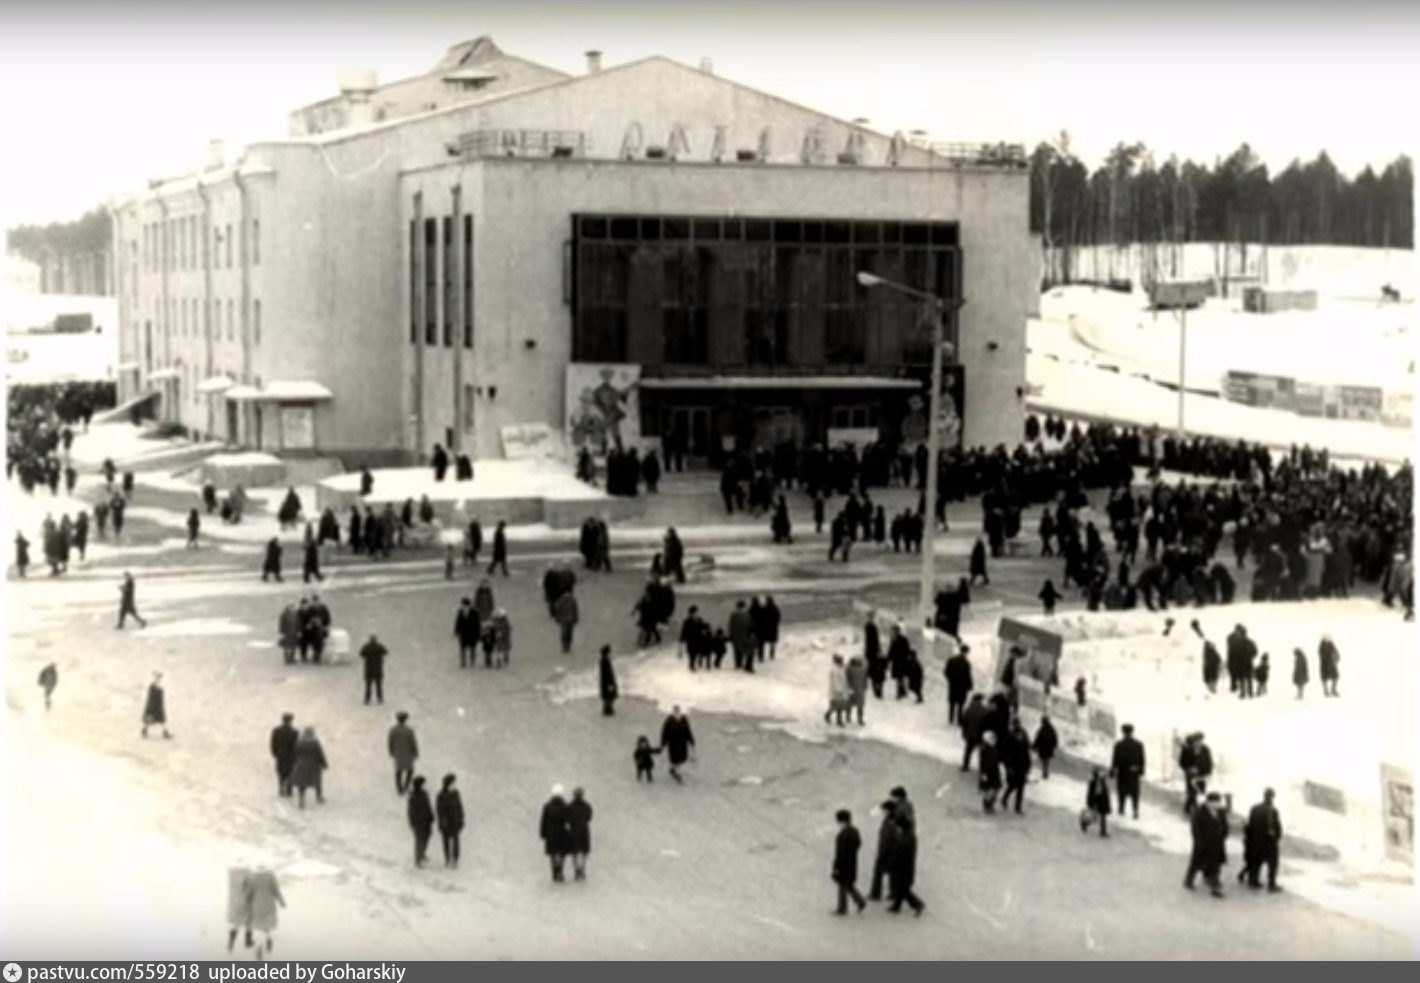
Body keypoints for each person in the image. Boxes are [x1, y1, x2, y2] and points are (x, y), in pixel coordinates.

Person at [1184, 792, 1229, 898]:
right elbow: (1196, 829)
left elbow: (1225, 825)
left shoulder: (1220, 812)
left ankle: (1215, 887)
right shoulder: (1200, 812)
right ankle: (1188, 881)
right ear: (1209, 802)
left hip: (1217, 843)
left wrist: (1223, 835)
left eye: (1218, 802)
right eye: (1215, 802)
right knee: (1196, 863)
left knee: (1216, 864)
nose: (1218, 804)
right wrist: (1199, 842)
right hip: (1203, 843)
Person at [886, 802, 925, 916]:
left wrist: (892, 863)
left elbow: (901, 854)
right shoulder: (909, 836)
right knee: (901, 888)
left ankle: (918, 904)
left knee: (903, 889)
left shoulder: (904, 839)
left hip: (903, 868)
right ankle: (896, 906)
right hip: (906, 867)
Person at [1241, 788, 1283, 892]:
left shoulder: (1254, 808)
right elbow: (1277, 827)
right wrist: (1277, 838)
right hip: (1269, 842)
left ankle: (1253, 880)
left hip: (1256, 841)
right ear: (1272, 797)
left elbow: (1249, 825)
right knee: (1273, 863)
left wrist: (1250, 839)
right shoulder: (1273, 810)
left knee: (1256, 862)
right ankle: (1271, 884)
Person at [832, 809, 868, 915]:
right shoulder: (854, 830)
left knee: (842, 885)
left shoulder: (842, 835)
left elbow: (840, 853)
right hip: (852, 862)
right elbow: (858, 844)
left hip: (843, 864)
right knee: (848, 884)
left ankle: (842, 908)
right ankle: (860, 901)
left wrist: (836, 866)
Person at [1110, 723, 1146, 820]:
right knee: (1134, 792)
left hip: (1123, 772)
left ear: (1123, 732)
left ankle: (1122, 808)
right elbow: (1142, 760)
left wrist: (1112, 771)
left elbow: (1115, 760)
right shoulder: (1139, 745)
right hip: (1133, 772)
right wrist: (1140, 770)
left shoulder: (1118, 745)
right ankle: (1135, 810)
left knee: (1122, 791)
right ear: (1132, 732)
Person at [540, 785, 572, 883]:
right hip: (562, 833)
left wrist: (543, 833)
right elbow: (568, 821)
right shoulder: (566, 806)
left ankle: (554, 871)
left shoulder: (547, 806)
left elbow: (543, 821)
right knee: (562, 853)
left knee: (553, 853)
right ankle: (560, 870)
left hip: (551, 833)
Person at [290, 727, 328, 808]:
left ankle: (301, 799)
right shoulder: (315, 743)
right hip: (313, 764)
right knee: (317, 781)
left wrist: (294, 763)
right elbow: (319, 753)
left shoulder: (299, 742)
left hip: (301, 764)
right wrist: (324, 763)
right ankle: (319, 796)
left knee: (302, 782)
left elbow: (295, 753)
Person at [1179, 732, 1214, 815]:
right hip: (1191, 776)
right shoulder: (1187, 750)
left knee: (1201, 793)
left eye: (1201, 741)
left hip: (1202, 775)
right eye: (1197, 741)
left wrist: (1208, 773)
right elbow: (1182, 762)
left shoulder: (1206, 749)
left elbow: (1209, 762)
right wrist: (1189, 769)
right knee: (1192, 793)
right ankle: (1190, 810)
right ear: (1194, 741)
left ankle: (1195, 810)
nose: (1199, 743)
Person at [659, 706, 696, 783]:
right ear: (673, 711)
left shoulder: (684, 719)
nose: (676, 712)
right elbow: (664, 732)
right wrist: (663, 744)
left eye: (678, 710)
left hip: (682, 743)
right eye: (675, 711)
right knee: (674, 758)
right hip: (673, 743)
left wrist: (691, 740)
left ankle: (674, 770)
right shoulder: (669, 720)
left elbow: (688, 730)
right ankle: (677, 773)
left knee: (682, 758)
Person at [436, 774, 465, 868]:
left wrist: (461, 819)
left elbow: (460, 807)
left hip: (455, 821)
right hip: (446, 823)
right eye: (453, 783)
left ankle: (455, 860)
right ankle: (447, 859)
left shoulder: (456, 793)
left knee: (456, 842)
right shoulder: (441, 795)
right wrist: (443, 822)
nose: (454, 785)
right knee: (446, 842)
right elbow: (439, 811)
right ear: (448, 784)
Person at [388, 712, 419, 796]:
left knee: (398, 771)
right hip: (408, 753)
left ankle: (399, 789)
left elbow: (390, 742)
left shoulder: (393, 730)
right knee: (410, 770)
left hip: (398, 753)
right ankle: (406, 785)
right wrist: (415, 752)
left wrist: (391, 751)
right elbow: (413, 743)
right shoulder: (409, 731)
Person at [566, 787, 594, 881]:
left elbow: (567, 819)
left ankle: (576, 869)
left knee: (574, 851)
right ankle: (582, 868)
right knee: (583, 851)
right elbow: (589, 817)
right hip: (584, 830)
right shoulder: (587, 806)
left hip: (573, 830)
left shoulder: (570, 806)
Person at [407, 776, 434, 867]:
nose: (424, 786)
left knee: (427, 837)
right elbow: (411, 811)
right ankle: (418, 859)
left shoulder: (425, 794)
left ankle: (422, 853)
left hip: (427, 820)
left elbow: (428, 805)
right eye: (423, 784)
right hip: (418, 822)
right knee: (419, 840)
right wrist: (412, 822)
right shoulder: (413, 796)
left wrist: (431, 816)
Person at [269, 713, 298, 797]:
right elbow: (295, 746)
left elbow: (273, 743)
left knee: (281, 771)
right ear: (290, 721)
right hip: (290, 756)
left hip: (280, 754)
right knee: (290, 771)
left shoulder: (276, 731)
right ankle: (289, 789)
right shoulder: (294, 732)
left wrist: (274, 752)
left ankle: (281, 787)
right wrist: (296, 756)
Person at [944, 643, 973, 725]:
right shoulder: (966, 663)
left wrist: (950, 679)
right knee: (961, 704)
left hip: (953, 685)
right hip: (962, 687)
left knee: (952, 703)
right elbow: (968, 676)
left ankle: (950, 719)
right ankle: (959, 721)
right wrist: (969, 685)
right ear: (966, 652)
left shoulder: (952, 660)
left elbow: (946, 672)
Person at [959, 693, 988, 771]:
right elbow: (986, 723)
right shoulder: (984, 710)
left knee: (968, 751)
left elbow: (964, 721)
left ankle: (965, 765)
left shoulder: (969, 709)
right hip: (979, 734)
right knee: (982, 752)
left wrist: (964, 732)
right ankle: (983, 768)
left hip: (970, 733)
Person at [360, 634, 389, 705]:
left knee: (368, 686)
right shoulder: (379, 646)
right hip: (378, 669)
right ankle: (380, 699)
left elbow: (361, 654)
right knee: (379, 686)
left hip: (369, 669)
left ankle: (367, 700)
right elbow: (386, 652)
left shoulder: (366, 647)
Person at [1082, 766, 1111, 837]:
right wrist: (1091, 802)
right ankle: (1085, 823)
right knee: (1094, 816)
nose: (1102, 774)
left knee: (1103, 815)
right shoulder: (1093, 782)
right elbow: (1090, 794)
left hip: (1102, 800)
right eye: (1100, 773)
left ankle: (1103, 832)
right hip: (1095, 800)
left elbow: (1105, 792)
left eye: (1102, 773)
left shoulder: (1102, 780)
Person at [978, 731, 1002, 813]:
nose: (994, 739)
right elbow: (983, 763)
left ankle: (989, 804)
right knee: (989, 789)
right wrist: (984, 774)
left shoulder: (994, 748)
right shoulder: (984, 749)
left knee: (995, 789)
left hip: (994, 771)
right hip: (988, 772)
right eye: (992, 738)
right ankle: (987, 805)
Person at [141, 671, 170, 739]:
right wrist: (151, 707)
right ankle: (145, 730)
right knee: (151, 719)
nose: (159, 678)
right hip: (153, 706)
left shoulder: (158, 685)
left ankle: (164, 732)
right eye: (158, 677)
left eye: (159, 677)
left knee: (161, 719)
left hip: (158, 706)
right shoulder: (152, 687)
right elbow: (151, 698)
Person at [454, 598, 482, 669]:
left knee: (473, 648)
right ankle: (463, 662)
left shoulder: (474, 612)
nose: (464, 607)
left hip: (472, 633)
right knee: (462, 648)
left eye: (465, 605)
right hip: (463, 633)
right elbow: (458, 622)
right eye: (463, 605)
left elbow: (477, 624)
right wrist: (456, 631)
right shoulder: (460, 612)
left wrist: (478, 634)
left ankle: (472, 661)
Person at [553, 586, 580, 655]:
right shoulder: (573, 599)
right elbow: (575, 609)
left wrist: (557, 618)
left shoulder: (561, 599)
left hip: (563, 619)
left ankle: (564, 648)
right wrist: (576, 618)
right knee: (569, 634)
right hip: (570, 619)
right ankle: (568, 647)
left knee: (564, 633)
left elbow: (557, 608)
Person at [825, 654, 850, 727]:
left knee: (840, 706)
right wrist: (838, 690)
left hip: (842, 690)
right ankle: (828, 715)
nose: (842, 661)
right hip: (836, 691)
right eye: (840, 660)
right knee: (834, 706)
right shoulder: (834, 670)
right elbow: (835, 681)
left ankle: (839, 720)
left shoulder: (841, 668)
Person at [844, 654, 868, 726]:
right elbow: (865, 679)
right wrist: (865, 686)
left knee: (851, 704)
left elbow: (864, 678)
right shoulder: (861, 669)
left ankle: (851, 717)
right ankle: (857, 719)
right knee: (857, 704)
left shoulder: (849, 668)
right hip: (857, 689)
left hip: (854, 689)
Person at [1033, 713, 1058, 779]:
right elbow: (1055, 738)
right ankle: (1045, 773)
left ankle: (1045, 773)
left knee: (1045, 761)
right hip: (1047, 748)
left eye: (1042, 721)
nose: (1042, 722)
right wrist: (1054, 746)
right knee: (1046, 761)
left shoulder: (1043, 729)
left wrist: (1034, 746)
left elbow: (1038, 738)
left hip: (1045, 748)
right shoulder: (1050, 729)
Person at [598, 645, 619, 716]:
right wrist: (610, 681)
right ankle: (607, 710)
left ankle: (607, 709)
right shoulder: (605, 661)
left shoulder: (604, 660)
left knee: (608, 695)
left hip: (606, 681)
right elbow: (607, 672)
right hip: (607, 681)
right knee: (609, 695)